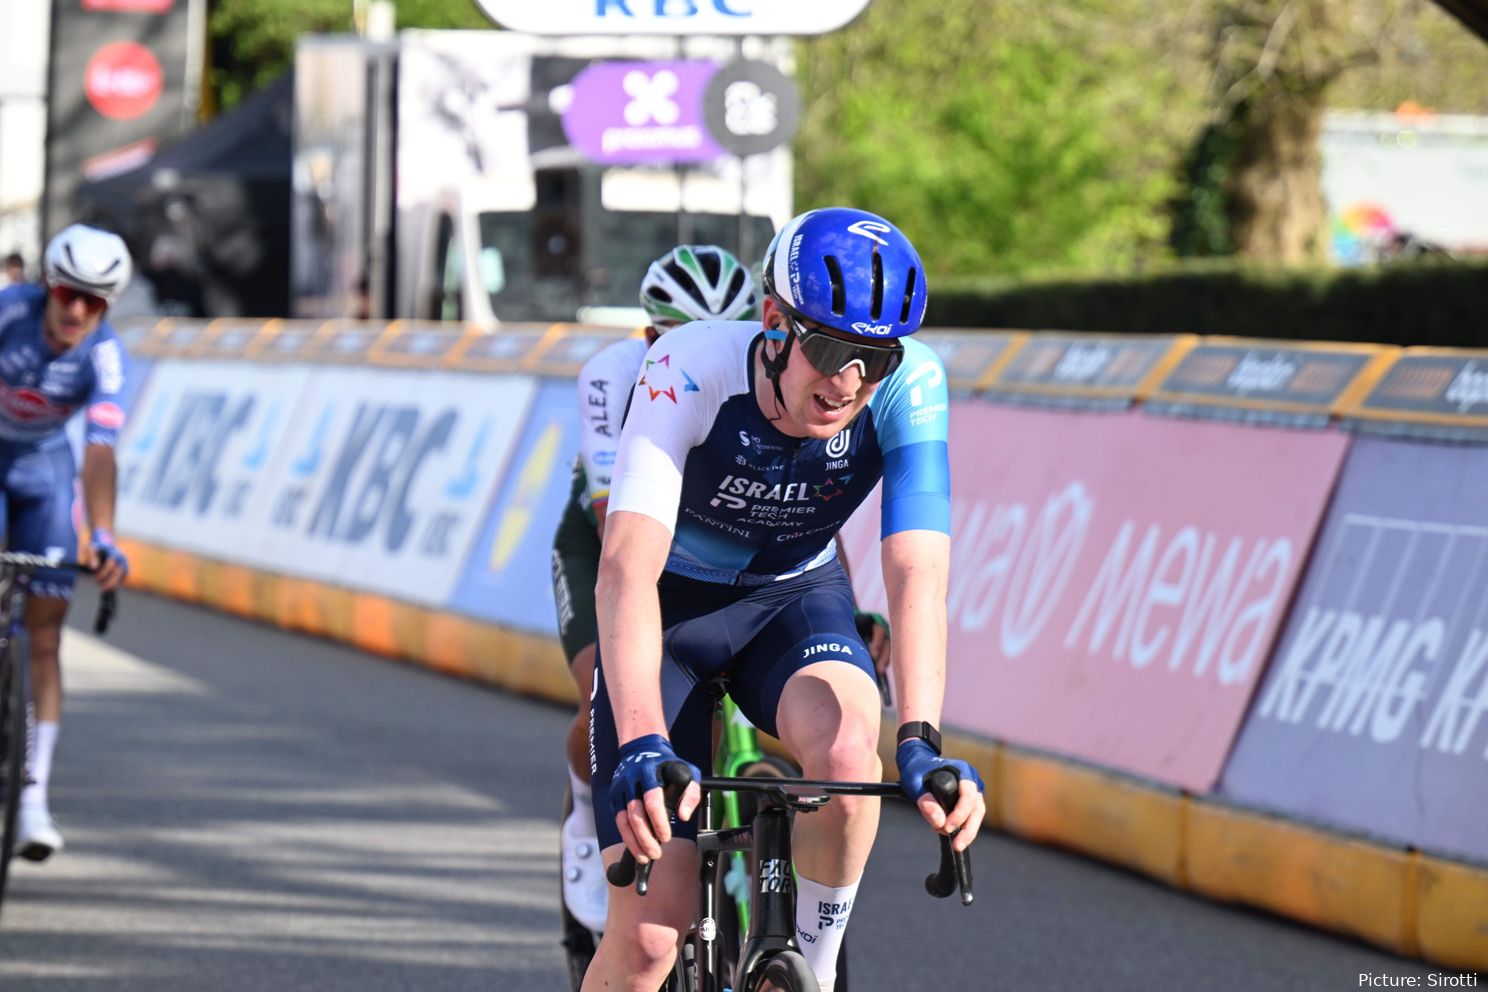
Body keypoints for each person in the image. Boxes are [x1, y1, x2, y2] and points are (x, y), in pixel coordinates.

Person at [582, 208, 986, 992]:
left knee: (846, 755)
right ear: (774, 323)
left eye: (875, 359)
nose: (850, 383)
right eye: (831, 350)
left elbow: (916, 573)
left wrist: (923, 739)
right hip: (667, 618)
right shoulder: (689, 366)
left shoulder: (913, 385)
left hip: (792, 602)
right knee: (649, 941)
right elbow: (626, 569)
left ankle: (815, 970)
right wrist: (639, 741)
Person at [551, 245, 759, 935]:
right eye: (682, 340)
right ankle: (586, 807)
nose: (708, 355)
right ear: (649, 340)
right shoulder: (612, 376)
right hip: (608, 544)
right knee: (603, 686)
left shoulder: (769, 377)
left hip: (704, 547)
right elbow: (622, 539)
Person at [0, 223, 133, 861]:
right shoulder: (7, 313)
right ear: (48, 286)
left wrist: (103, 535)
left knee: (46, 637)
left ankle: (31, 801)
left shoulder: (105, 357)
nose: (78, 310)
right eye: (69, 293)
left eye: (95, 301)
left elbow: (101, 452)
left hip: (44, 475)